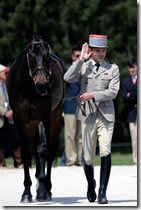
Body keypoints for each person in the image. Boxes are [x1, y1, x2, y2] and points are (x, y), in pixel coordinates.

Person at [64, 34, 120, 204]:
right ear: (91, 51)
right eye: (98, 51)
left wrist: (94, 94)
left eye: (103, 51)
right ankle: (91, 184)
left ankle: (103, 191)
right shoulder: (83, 67)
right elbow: (67, 78)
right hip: (88, 116)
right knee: (88, 158)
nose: (101, 54)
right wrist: (80, 59)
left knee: (106, 151)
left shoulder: (113, 69)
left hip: (106, 116)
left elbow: (113, 92)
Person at [61, 42, 83, 166]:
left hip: (83, 108)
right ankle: (71, 160)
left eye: (81, 55)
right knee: (70, 135)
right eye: (77, 55)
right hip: (69, 107)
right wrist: (62, 109)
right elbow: (63, 90)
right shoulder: (67, 70)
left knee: (81, 136)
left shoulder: (85, 69)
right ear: (73, 57)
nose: (79, 57)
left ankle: (80, 160)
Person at [0, 64, 23, 168]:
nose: (7, 74)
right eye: (5, 73)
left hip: (11, 117)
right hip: (1, 117)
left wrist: (12, 111)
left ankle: (19, 162)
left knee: (15, 139)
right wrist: (5, 112)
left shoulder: (9, 85)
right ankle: (1, 163)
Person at [122, 58, 137, 164]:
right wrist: (134, 94)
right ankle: (136, 160)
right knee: (134, 139)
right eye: (130, 67)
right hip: (132, 113)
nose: (132, 69)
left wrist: (130, 94)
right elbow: (124, 98)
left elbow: (129, 96)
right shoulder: (125, 82)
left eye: (134, 67)